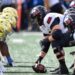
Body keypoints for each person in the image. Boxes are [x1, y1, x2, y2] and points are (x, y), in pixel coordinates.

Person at [30, 5, 74, 74]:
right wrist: (39, 60)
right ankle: (62, 67)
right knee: (53, 40)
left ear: (41, 15)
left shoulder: (47, 18)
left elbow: (57, 34)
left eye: (37, 17)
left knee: (55, 41)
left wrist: (46, 40)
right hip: (69, 34)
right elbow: (46, 45)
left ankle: (63, 68)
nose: (36, 20)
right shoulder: (43, 26)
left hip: (72, 33)